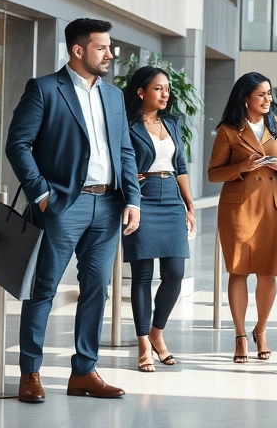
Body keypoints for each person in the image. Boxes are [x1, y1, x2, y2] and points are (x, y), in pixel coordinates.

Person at [6, 18, 141, 402]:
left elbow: (125, 150)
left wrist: (132, 199)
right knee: (44, 287)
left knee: (97, 287)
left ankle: (84, 371)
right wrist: (42, 195)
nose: (110, 54)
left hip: (109, 204)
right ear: (78, 50)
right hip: (64, 203)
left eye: (109, 47)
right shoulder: (45, 89)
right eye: (102, 47)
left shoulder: (114, 96)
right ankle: (30, 372)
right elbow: (18, 144)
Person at [208, 73, 277, 364]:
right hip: (239, 208)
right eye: (261, 94)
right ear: (245, 97)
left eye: (269, 93)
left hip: (272, 206)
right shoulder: (228, 130)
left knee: (268, 272)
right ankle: (239, 335)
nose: (268, 99)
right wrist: (242, 167)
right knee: (238, 271)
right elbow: (213, 173)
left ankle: (261, 330)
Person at [124, 66, 195, 372]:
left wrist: (189, 206)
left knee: (175, 273)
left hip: (171, 199)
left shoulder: (171, 123)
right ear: (141, 92)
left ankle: (157, 332)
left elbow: (180, 163)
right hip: (143, 196)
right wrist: (128, 180)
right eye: (158, 88)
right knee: (142, 276)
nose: (166, 93)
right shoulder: (127, 124)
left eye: (167, 88)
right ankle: (143, 344)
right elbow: (118, 157)